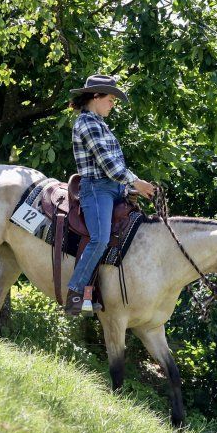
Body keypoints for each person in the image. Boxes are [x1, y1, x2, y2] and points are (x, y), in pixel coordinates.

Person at [64, 74, 156, 315]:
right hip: (96, 189)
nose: (113, 104)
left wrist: (135, 186)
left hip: (114, 187)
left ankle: (103, 292)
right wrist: (137, 182)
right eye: (111, 99)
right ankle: (75, 292)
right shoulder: (86, 123)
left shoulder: (99, 123)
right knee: (101, 238)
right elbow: (108, 165)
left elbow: (117, 164)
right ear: (96, 96)